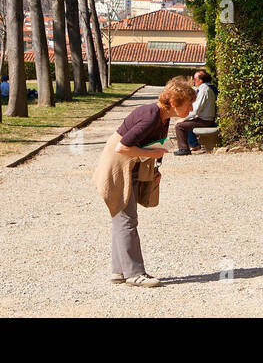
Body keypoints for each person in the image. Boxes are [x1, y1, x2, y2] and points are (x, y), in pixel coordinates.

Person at [92, 76, 196, 288]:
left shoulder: (163, 117)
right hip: (117, 167)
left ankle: (119, 271)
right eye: (188, 104)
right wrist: (153, 152)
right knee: (126, 219)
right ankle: (134, 274)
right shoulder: (150, 116)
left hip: (128, 166)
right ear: (174, 103)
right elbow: (122, 147)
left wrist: (153, 166)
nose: (191, 108)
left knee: (121, 218)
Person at [172, 69, 217, 155]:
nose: (193, 81)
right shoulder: (205, 88)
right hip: (205, 119)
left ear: (200, 80)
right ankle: (191, 145)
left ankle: (184, 149)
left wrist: (183, 118)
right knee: (187, 122)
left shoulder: (204, 90)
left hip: (204, 120)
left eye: (195, 79)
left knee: (180, 126)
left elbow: (196, 110)